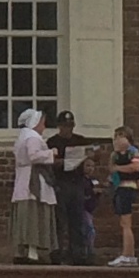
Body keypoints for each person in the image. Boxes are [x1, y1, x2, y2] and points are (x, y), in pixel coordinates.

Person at [8, 108, 58, 264]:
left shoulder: (22, 137)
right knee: (34, 215)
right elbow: (34, 155)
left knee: (26, 215)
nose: (44, 127)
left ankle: (22, 251)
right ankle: (32, 253)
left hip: (24, 179)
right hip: (33, 181)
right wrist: (51, 153)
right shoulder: (32, 137)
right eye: (42, 123)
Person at [48, 111, 97, 265]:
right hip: (61, 183)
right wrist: (65, 161)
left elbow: (94, 152)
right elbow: (50, 162)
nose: (67, 129)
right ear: (59, 126)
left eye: (70, 126)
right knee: (60, 220)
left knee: (77, 220)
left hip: (77, 183)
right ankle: (58, 252)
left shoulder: (80, 140)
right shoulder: (52, 141)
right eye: (64, 126)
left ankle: (76, 253)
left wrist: (90, 153)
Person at [104, 127, 139, 266]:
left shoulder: (132, 152)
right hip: (119, 187)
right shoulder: (115, 155)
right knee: (123, 223)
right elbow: (111, 169)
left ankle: (128, 255)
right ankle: (128, 253)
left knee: (127, 223)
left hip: (127, 187)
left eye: (121, 136)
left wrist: (118, 168)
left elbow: (135, 168)